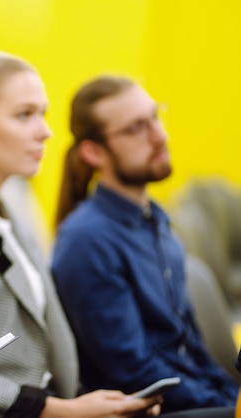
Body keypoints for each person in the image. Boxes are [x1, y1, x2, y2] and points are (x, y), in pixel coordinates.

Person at [0, 51, 161, 417]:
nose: (45, 131)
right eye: (24, 115)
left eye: (43, 113)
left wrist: (99, 404)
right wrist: (64, 411)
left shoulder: (11, 211)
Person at [50, 75, 240, 414]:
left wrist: (232, 395)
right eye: (137, 127)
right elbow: (135, 373)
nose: (160, 135)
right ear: (94, 152)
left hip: (195, 401)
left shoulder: (157, 222)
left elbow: (191, 348)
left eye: (155, 117)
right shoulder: (87, 239)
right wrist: (225, 405)